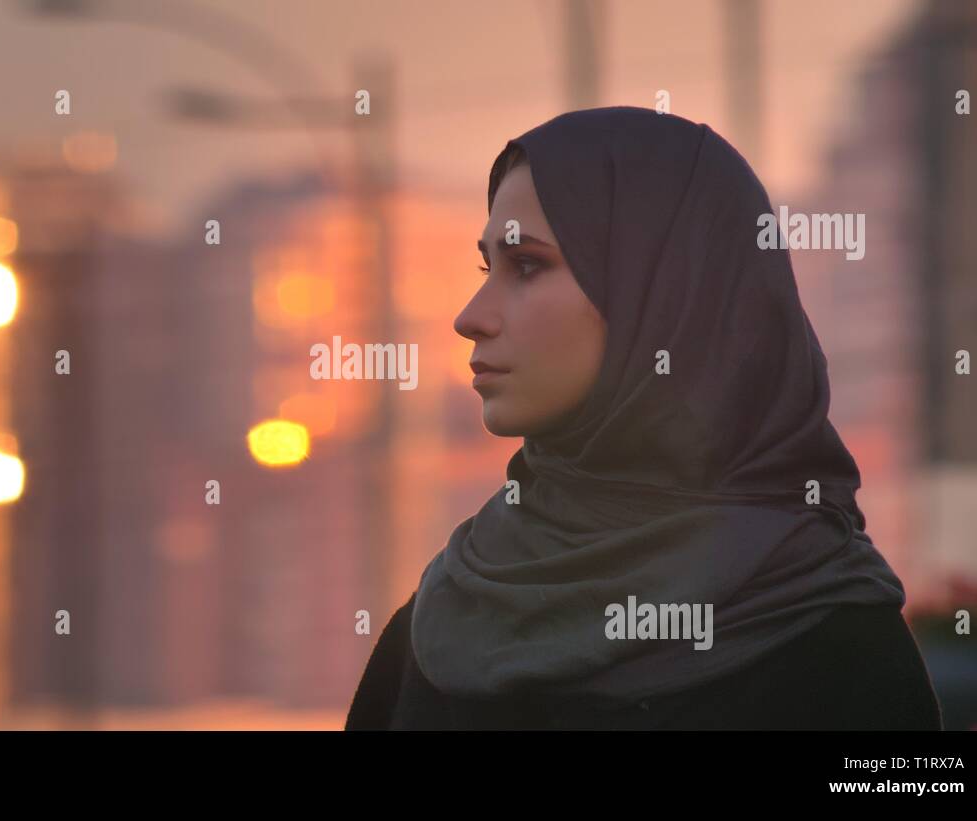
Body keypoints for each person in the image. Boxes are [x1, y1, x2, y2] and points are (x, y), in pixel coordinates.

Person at [344, 107, 943, 730]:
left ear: (667, 293)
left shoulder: (826, 634)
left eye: (526, 265)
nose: (470, 315)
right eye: (484, 267)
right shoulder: (444, 620)